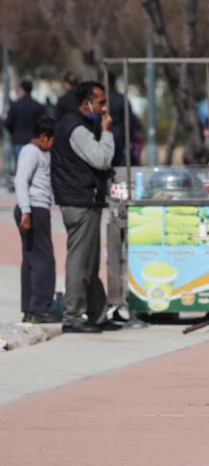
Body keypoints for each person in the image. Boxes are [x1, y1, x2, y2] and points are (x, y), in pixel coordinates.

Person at [52, 81, 119, 334]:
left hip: (82, 200)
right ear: (86, 103)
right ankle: (73, 316)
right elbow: (101, 159)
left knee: (89, 263)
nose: (103, 109)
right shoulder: (77, 129)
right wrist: (107, 132)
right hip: (80, 202)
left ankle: (97, 314)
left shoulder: (76, 125)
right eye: (100, 102)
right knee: (80, 262)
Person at [14, 117, 59, 324]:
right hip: (33, 208)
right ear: (43, 137)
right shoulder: (31, 152)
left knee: (32, 260)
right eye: (51, 141)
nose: (52, 146)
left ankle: (30, 308)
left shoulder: (39, 153)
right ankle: (40, 307)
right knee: (44, 260)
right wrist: (25, 211)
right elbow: (20, 180)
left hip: (35, 208)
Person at [5, 80, 47, 172]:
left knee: (20, 169)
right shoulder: (38, 106)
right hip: (34, 140)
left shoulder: (15, 106)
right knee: (33, 169)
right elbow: (44, 123)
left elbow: (8, 123)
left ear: (22, 89)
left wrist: (14, 132)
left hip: (18, 139)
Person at [106, 72, 142, 167]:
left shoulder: (102, 100)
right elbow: (130, 121)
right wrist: (131, 139)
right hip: (120, 136)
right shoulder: (121, 99)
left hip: (106, 134)